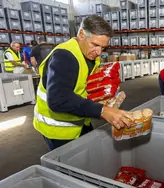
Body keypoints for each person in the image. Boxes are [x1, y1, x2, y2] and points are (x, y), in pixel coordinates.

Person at [33, 15, 134, 151]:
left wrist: (106, 98)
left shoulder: (89, 54)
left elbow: (84, 84)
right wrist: (102, 111)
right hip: (58, 129)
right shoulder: (64, 57)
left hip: (79, 118)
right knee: (69, 169)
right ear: (81, 34)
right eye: (95, 45)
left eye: (103, 47)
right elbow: (58, 100)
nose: (99, 52)